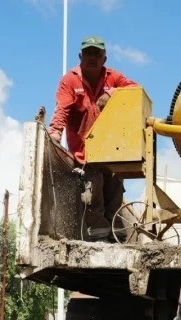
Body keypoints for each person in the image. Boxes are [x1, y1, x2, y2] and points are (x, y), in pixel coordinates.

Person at [48, 35, 139, 242]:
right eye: (88, 53)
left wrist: (113, 93)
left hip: (112, 150)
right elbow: (62, 109)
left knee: (115, 189)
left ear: (104, 59)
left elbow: (135, 89)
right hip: (85, 151)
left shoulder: (112, 77)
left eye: (97, 54)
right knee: (93, 188)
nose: (92, 57)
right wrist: (55, 133)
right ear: (80, 56)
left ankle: (116, 235)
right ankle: (98, 237)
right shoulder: (70, 80)